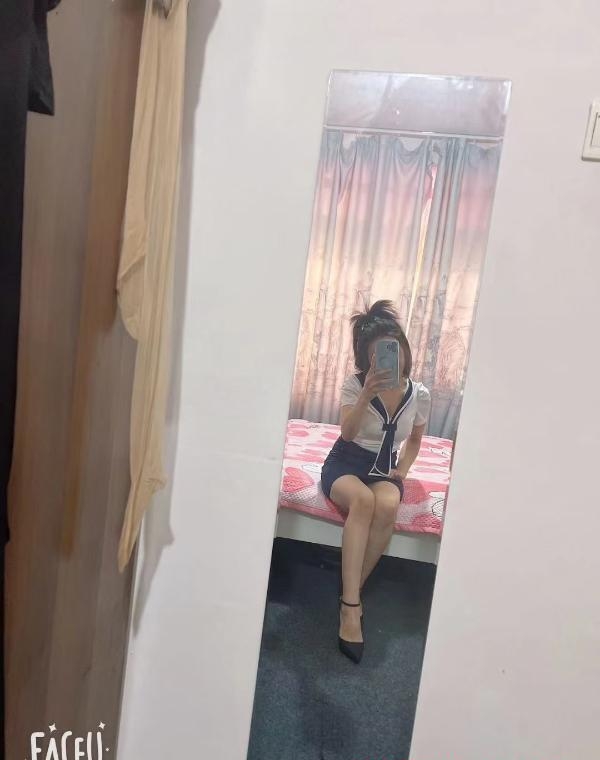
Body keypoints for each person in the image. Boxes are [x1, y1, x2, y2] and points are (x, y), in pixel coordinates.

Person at [320, 301, 431, 663]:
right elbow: (347, 434)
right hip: (345, 462)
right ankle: (351, 609)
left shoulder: (419, 394)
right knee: (364, 502)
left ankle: (349, 589)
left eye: (393, 348)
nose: (387, 358)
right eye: (377, 354)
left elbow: (415, 439)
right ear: (366, 360)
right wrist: (366, 395)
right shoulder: (354, 386)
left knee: (387, 504)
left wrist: (404, 469)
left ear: (403, 349)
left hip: (384, 469)